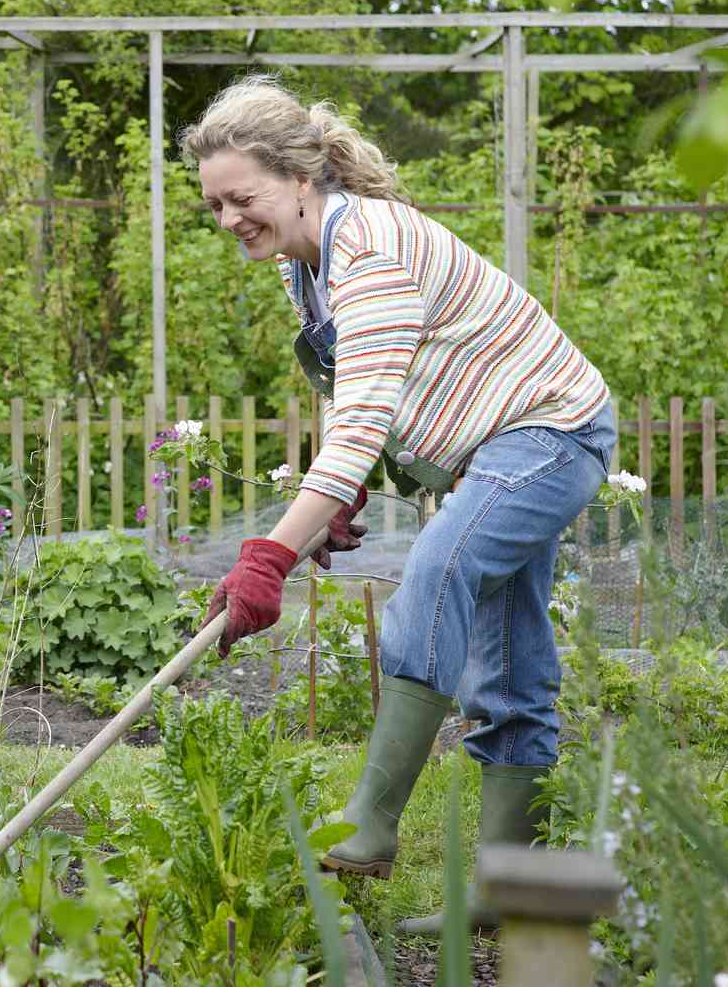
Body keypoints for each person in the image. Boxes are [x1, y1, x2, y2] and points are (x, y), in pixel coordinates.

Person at [180, 75, 615, 933]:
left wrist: (272, 554)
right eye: (215, 206)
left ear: (301, 179)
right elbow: (359, 400)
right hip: (490, 452)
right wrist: (347, 497)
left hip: (548, 435)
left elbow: (366, 409)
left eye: (243, 197)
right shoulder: (311, 262)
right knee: (511, 670)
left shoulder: (371, 248)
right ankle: (512, 895)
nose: (229, 219)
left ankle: (369, 831)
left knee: (435, 574)